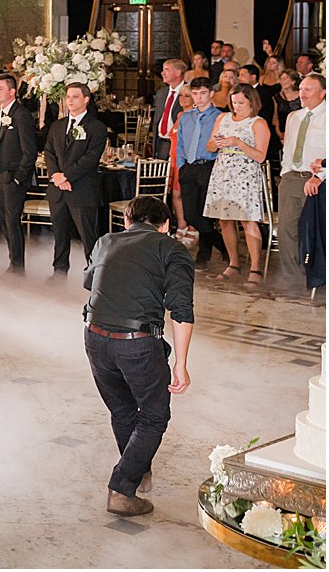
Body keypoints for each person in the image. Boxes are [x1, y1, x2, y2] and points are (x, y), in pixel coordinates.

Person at [82, 196, 194, 517]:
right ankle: (121, 488)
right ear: (166, 225)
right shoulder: (171, 249)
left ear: (127, 221)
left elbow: (88, 281)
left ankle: (138, 468)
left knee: (122, 408)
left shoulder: (106, 241)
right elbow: (181, 310)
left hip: (95, 336)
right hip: (137, 343)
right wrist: (181, 364)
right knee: (155, 415)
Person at [204, 85, 271, 284]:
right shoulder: (222, 118)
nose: (237, 106)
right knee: (224, 220)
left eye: (241, 102)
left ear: (251, 101)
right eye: (234, 102)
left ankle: (255, 268)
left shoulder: (258, 123)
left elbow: (260, 156)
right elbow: (208, 146)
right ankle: (233, 263)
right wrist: (215, 143)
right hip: (222, 172)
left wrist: (238, 142)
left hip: (245, 175)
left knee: (247, 220)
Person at [45, 83, 110, 278]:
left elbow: (90, 158)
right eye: (68, 97)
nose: (70, 101)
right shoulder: (57, 126)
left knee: (88, 236)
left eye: (75, 97)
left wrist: (67, 176)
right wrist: (56, 175)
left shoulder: (96, 127)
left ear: (86, 100)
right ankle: (59, 271)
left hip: (82, 190)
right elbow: (49, 152)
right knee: (60, 234)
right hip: (58, 190)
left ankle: (94, 275)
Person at [268, 73, 324, 296]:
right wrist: (286, 172)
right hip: (292, 178)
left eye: (308, 89)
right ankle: (293, 280)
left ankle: (318, 279)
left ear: (323, 93)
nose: (302, 93)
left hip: (318, 181)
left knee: (315, 231)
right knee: (286, 230)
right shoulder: (294, 117)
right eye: (301, 88)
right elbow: (289, 149)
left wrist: (320, 176)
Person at [0, 73, 38, 274]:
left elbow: (30, 150)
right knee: (4, 222)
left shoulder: (21, 115)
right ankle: (12, 261)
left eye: (0, 89)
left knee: (12, 221)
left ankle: (18, 266)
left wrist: (18, 177)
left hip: (12, 178)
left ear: (12, 91)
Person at [175, 79, 225, 269]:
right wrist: (181, 166)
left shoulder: (219, 117)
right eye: (195, 93)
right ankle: (224, 246)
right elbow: (180, 144)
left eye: (203, 93)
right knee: (190, 214)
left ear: (211, 93)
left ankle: (204, 256)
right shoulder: (186, 117)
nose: (199, 97)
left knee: (206, 213)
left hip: (208, 165)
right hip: (188, 167)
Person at [151, 59, 187, 163]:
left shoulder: (188, 92)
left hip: (177, 143)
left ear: (178, 72)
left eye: (166, 69)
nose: (162, 73)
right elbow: (158, 118)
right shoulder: (162, 93)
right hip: (160, 141)